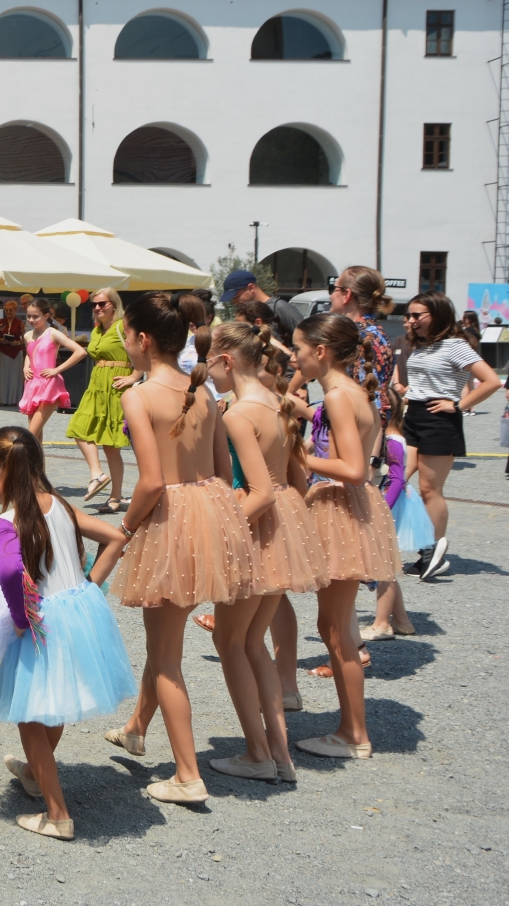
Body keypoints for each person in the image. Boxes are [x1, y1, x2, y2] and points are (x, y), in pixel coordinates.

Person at [102, 291, 256, 805]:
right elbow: (219, 472)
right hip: (208, 514)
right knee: (166, 642)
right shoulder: (206, 392)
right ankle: (137, 729)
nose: (125, 343)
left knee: (166, 657)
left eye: (126, 335)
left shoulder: (139, 396)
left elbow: (148, 481)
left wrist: (123, 529)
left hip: (168, 520)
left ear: (143, 341)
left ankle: (188, 774)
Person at [0, 427, 134, 840]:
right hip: (80, 612)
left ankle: (58, 814)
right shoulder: (60, 504)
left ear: (7, 473)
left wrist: (22, 617)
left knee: (29, 716)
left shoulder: (5, 523)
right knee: (56, 703)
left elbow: (10, 571)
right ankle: (33, 774)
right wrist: (91, 585)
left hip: (43, 621)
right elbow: (116, 537)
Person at [203, 320, 323, 785]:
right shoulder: (278, 401)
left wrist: (221, 533)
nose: (207, 367)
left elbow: (260, 492)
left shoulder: (237, 412)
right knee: (254, 643)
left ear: (227, 360)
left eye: (211, 358)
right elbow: (295, 482)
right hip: (282, 532)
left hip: (254, 528)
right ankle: (280, 754)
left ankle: (258, 753)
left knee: (230, 641)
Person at [294, 314, 400, 760]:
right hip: (348, 508)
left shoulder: (338, 395)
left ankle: (353, 733)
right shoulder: (354, 392)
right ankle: (349, 728)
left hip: (340, 507)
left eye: (299, 348)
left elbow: (354, 469)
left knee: (336, 628)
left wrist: (300, 455)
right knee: (334, 625)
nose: (294, 357)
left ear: (321, 351)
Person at [399, 291, 501, 580]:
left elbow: (491, 380)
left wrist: (457, 404)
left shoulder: (455, 345)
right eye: (409, 315)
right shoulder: (421, 346)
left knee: (430, 489)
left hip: (440, 421)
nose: (411, 320)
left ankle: (431, 552)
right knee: (398, 480)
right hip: (414, 416)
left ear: (437, 315)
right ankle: (424, 546)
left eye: (418, 315)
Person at [66, 289, 138, 512]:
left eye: (102, 304)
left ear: (114, 304)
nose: (97, 308)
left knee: (110, 446)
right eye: (94, 304)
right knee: (78, 428)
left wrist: (134, 376)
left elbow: (144, 351)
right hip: (96, 385)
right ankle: (97, 473)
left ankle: (115, 497)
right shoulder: (97, 329)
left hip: (115, 386)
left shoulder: (122, 326)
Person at [367, 382, 424, 641]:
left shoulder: (392, 440)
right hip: (385, 500)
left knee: (383, 566)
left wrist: (382, 508)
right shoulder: (390, 437)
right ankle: (401, 620)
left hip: (388, 502)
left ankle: (382, 624)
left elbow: (398, 478)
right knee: (384, 562)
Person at [18, 297, 86, 443]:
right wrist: (25, 367)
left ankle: (20, 463)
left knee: (29, 435)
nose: (31, 319)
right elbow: (31, 353)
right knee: (36, 435)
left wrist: (57, 370)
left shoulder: (53, 333)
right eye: (29, 316)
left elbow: (80, 352)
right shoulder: (28, 335)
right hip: (32, 384)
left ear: (46, 316)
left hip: (49, 385)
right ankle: (37, 465)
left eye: (35, 316)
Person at [221, 269, 301, 352]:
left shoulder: (281, 308)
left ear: (251, 288)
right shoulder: (244, 312)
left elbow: (307, 339)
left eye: (236, 297)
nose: (234, 302)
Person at [0, 298, 26, 409]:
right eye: (6, 310)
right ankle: (3, 398)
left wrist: (17, 343)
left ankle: (15, 399)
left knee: (15, 375)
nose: (8, 312)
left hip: (16, 351)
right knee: (3, 374)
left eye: (10, 310)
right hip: (2, 350)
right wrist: (1, 340)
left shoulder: (20, 323)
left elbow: (25, 338)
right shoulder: (0, 322)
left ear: (15, 311)